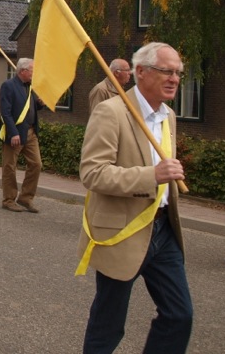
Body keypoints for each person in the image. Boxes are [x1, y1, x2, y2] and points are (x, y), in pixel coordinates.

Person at [78, 42, 192, 353]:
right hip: (122, 231)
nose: (174, 79)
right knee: (109, 323)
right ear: (140, 72)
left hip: (163, 231)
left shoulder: (168, 115)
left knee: (179, 314)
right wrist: (150, 176)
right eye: (166, 71)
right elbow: (92, 173)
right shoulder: (111, 112)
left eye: (178, 73)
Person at [0, 57, 43, 213]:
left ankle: (25, 198)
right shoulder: (8, 86)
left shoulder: (30, 87)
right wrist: (13, 133)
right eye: (32, 70)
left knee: (36, 164)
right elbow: (6, 112)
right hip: (15, 133)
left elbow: (29, 107)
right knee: (10, 167)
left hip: (31, 132)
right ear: (23, 71)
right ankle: (8, 199)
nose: (34, 73)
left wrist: (39, 104)